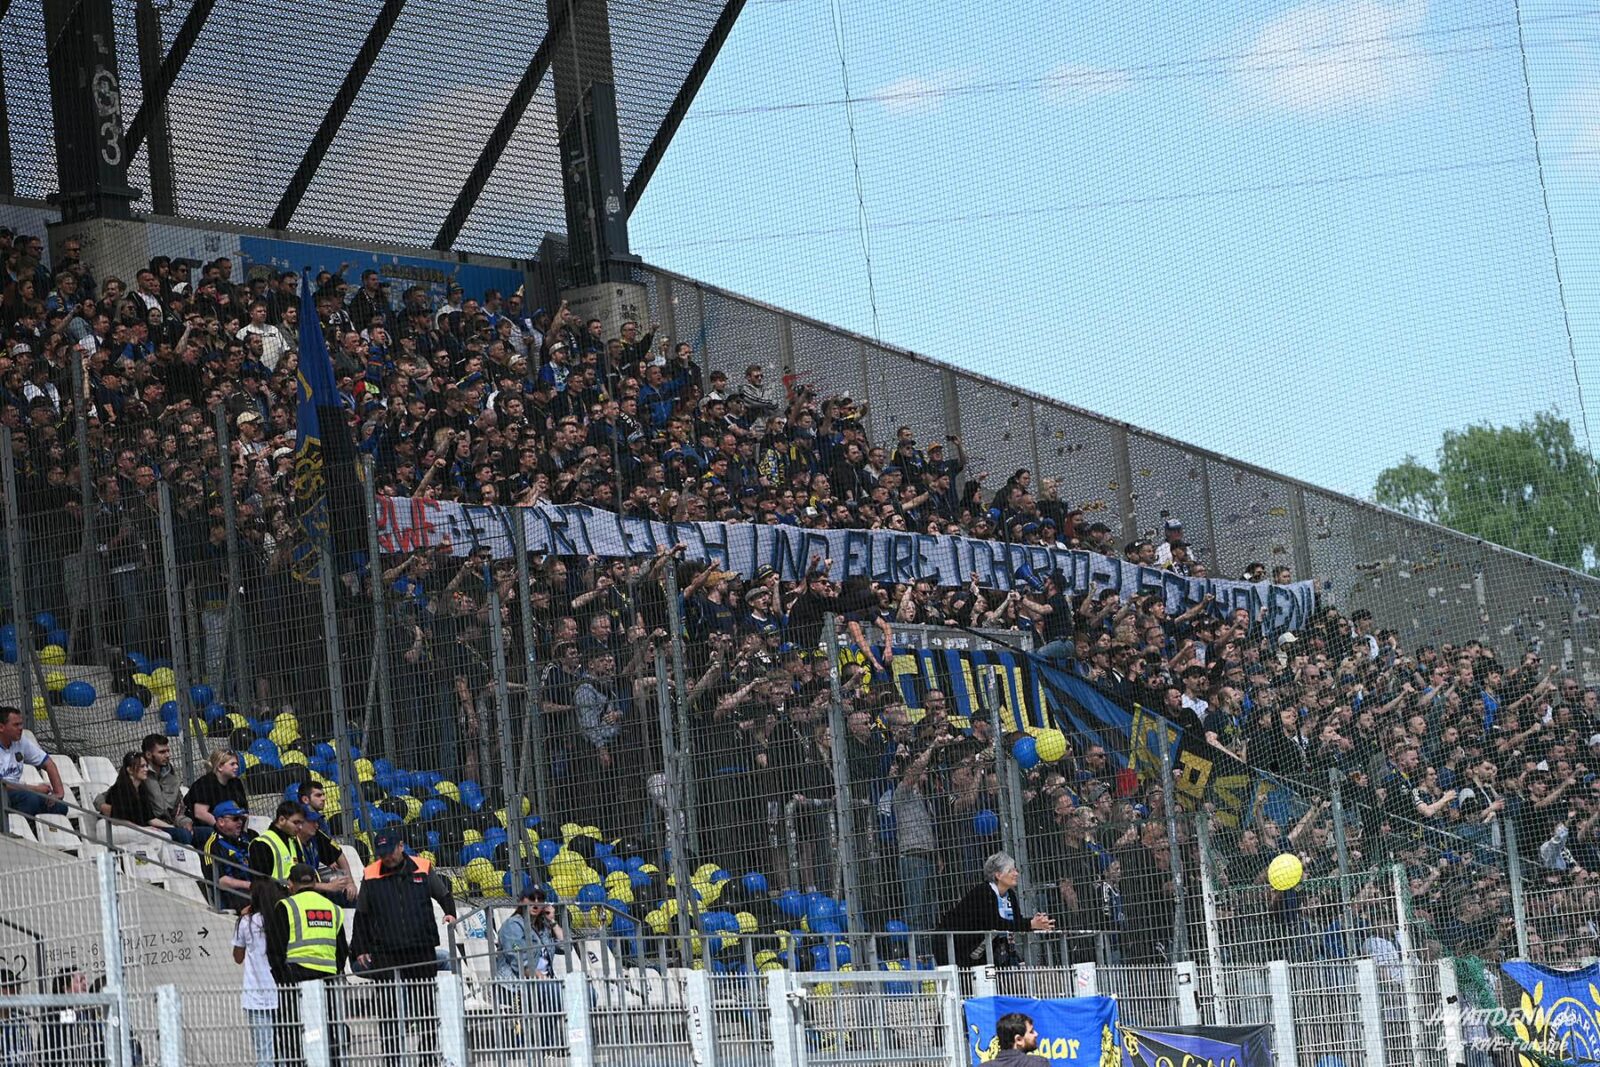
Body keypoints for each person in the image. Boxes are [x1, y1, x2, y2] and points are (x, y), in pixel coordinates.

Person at [351, 830, 455, 1065]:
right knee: (388, 1008)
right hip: (384, 949)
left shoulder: (423, 867)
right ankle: (392, 1059)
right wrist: (360, 948)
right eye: (382, 854)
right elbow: (362, 915)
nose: (386, 858)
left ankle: (427, 1058)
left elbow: (444, 895)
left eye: (390, 852)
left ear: (401, 846)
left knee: (425, 1007)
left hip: (420, 945)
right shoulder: (370, 873)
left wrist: (450, 913)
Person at [266, 864, 348, 1067]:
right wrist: (333, 970)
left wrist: (282, 979)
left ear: (291, 884)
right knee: (325, 1028)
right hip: (327, 980)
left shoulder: (287, 906)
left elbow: (275, 948)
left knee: (293, 1031)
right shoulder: (333, 908)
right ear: (315, 882)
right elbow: (342, 950)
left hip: (295, 979)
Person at [935, 851, 1055, 967]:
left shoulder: (1010, 895)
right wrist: (1030, 924)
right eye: (1010, 870)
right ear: (998, 875)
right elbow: (995, 923)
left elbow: (1016, 922)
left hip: (979, 950)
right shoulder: (983, 891)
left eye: (1015, 870)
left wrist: (1036, 922)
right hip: (952, 945)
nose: (1016, 874)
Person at [492, 887, 566, 1050]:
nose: (536, 903)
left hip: (544, 982)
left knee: (587, 993)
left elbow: (566, 947)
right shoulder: (513, 925)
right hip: (518, 984)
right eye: (531, 898)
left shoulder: (543, 927)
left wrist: (553, 921)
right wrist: (539, 976)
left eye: (540, 900)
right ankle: (547, 1045)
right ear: (521, 901)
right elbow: (517, 954)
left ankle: (575, 1042)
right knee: (553, 992)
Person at [234, 879, 284, 1067]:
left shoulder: (246, 922)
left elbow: (238, 957)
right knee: (287, 1050)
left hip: (255, 995)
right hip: (282, 993)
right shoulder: (281, 920)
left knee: (264, 1053)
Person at [94, 750, 190, 844]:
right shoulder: (120, 789)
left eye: (146, 766)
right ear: (130, 770)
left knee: (183, 833)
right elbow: (119, 820)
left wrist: (172, 827)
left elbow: (150, 819)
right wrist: (144, 829)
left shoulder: (141, 789)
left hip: (139, 828)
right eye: (142, 766)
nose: (146, 769)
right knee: (179, 836)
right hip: (119, 828)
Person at [0, 704, 66, 820]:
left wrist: (58, 793)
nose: (21, 728)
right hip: (4, 794)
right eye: (16, 725)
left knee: (59, 807)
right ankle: (21, 829)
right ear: (1, 727)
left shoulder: (21, 742)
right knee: (30, 799)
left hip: (18, 793)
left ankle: (42, 830)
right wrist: (34, 789)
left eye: (21, 724)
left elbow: (48, 763)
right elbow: (3, 785)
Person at [184, 748, 248, 850]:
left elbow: (244, 810)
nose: (236, 767)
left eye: (237, 764)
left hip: (231, 825)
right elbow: (200, 813)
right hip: (207, 827)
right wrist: (223, 828)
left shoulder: (236, 783)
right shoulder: (204, 784)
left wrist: (242, 831)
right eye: (232, 764)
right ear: (220, 767)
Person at [203, 800, 257, 911]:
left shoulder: (247, 839)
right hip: (232, 895)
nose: (240, 822)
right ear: (221, 822)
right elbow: (219, 881)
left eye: (241, 818)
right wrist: (250, 885)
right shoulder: (212, 845)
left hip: (253, 888)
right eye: (235, 819)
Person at [138, 733, 193, 841]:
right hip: (152, 825)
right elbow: (107, 796)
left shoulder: (171, 776)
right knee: (184, 836)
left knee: (209, 833)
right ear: (148, 754)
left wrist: (185, 822)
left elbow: (179, 807)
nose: (167, 755)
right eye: (162, 752)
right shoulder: (140, 774)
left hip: (172, 824)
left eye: (168, 751)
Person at [248, 800, 308, 886]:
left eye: (301, 823)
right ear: (281, 820)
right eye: (296, 822)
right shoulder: (261, 844)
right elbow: (259, 882)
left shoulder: (292, 841)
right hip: (274, 893)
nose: (300, 827)